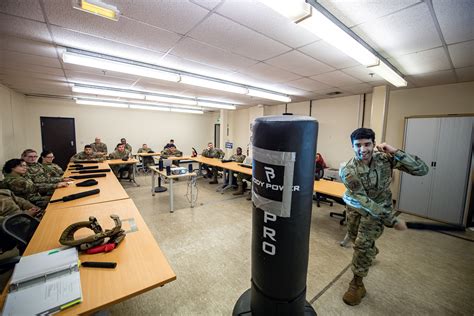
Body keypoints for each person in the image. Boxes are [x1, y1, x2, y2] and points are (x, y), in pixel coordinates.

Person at [339, 128, 428, 306]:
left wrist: (394, 151)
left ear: (374, 144)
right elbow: (363, 199)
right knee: (357, 239)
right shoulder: (348, 169)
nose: (362, 149)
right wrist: (392, 220)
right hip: (358, 208)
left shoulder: (385, 158)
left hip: (380, 208)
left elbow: (421, 170)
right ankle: (371, 250)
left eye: (367, 144)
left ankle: (357, 284)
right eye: (358, 145)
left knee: (362, 245)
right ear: (352, 146)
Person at [2, 159, 68, 208]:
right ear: (12, 167)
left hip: (36, 198)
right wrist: (56, 185)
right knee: (60, 202)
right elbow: (34, 187)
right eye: (21, 166)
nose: (25, 168)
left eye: (25, 166)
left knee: (62, 198)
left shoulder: (22, 176)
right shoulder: (13, 181)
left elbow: (38, 181)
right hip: (31, 202)